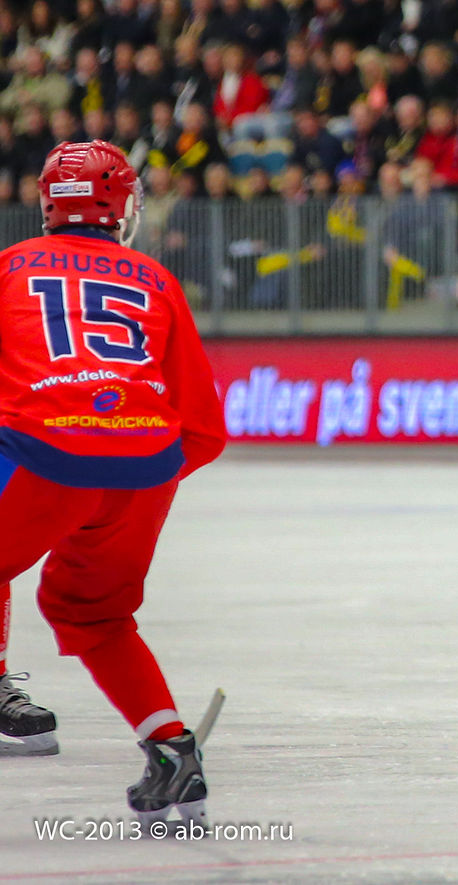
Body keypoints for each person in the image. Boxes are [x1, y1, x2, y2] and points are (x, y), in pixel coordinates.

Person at [0, 141, 225, 826]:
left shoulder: (9, 268)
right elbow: (204, 428)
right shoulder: (155, 279)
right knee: (93, 614)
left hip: (40, 451)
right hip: (144, 465)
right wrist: (127, 471)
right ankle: (171, 750)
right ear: (123, 205)